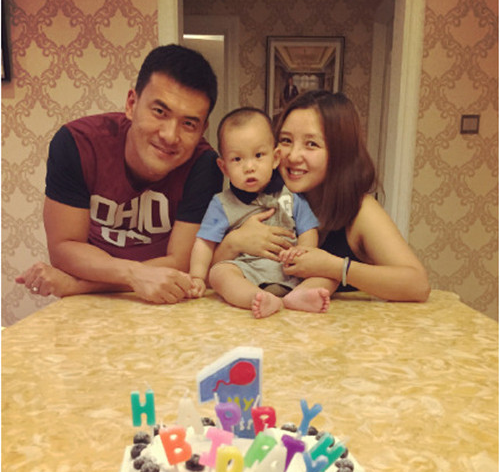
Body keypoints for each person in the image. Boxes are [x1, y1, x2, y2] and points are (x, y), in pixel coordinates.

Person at [16, 44, 223, 304]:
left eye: (189, 123)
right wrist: (134, 275)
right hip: (92, 306)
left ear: (203, 129)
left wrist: (76, 285)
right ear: (131, 104)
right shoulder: (77, 143)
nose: (170, 136)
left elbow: (181, 261)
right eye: (160, 112)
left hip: (169, 300)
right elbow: (64, 248)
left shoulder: (205, 165)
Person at [214, 90, 430, 303]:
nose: (293, 156)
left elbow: (418, 285)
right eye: (286, 140)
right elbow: (212, 278)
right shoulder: (262, 196)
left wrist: (334, 267)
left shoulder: (360, 210)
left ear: (340, 152)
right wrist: (233, 243)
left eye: (311, 144)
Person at [188, 107, 333, 318]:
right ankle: (256, 297)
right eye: (237, 159)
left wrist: (302, 253)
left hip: (290, 269)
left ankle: (300, 296)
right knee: (220, 273)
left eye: (258, 155)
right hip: (246, 270)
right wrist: (197, 277)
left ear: (275, 158)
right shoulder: (222, 204)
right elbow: (204, 243)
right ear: (224, 168)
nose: (249, 167)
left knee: (330, 274)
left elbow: (308, 230)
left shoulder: (291, 196)